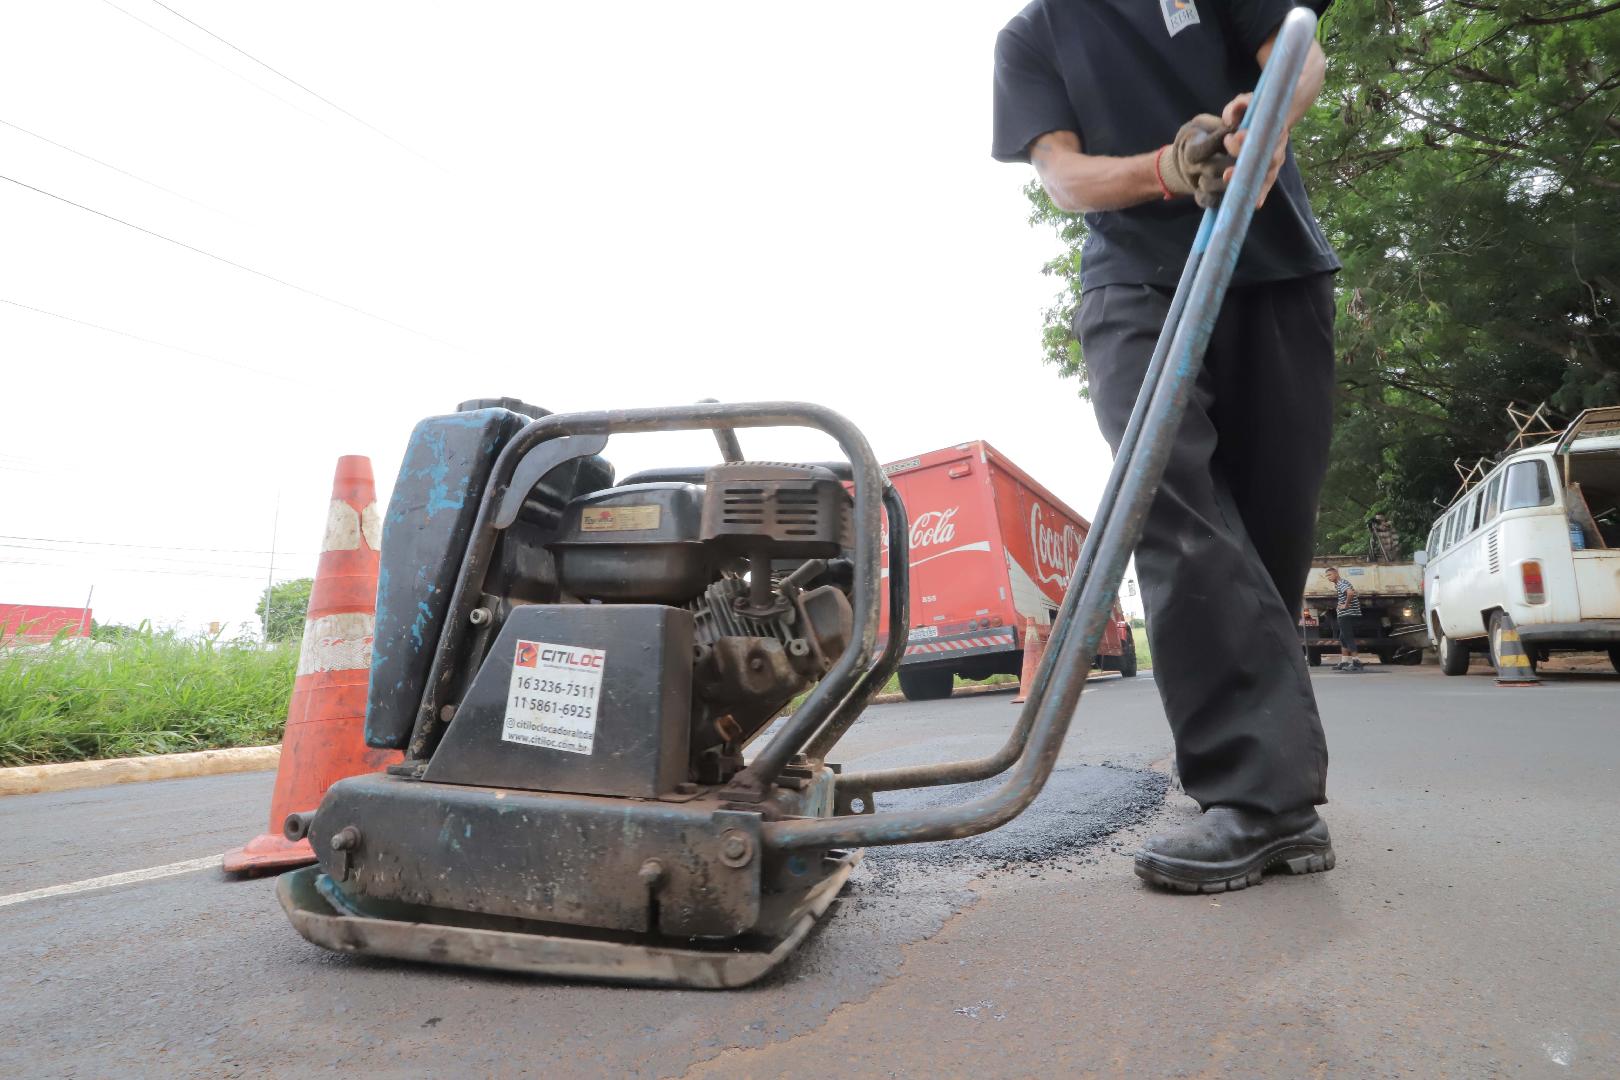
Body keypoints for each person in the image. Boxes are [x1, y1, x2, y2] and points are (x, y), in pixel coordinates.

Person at [992, 0, 1339, 892]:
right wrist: (1168, 169)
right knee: (1167, 495)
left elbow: (1300, 57)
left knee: (1269, 528)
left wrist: (1263, 122)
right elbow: (1063, 178)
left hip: (1273, 268)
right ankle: (1259, 800)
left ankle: (1273, 787)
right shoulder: (1030, 39)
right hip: (1133, 285)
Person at [1325, 567, 1362, 672]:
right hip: (1345, 614)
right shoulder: (1339, 584)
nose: (1329, 577)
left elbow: (1350, 593)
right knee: (1342, 638)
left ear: (1336, 573)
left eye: (1330, 575)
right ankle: (1344, 661)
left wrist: (1346, 605)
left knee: (1348, 637)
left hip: (1346, 614)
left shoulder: (1341, 583)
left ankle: (1356, 662)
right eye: (1327, 576)